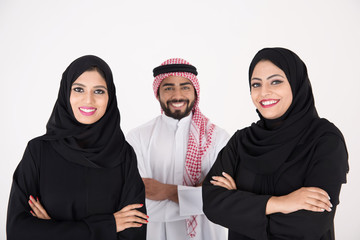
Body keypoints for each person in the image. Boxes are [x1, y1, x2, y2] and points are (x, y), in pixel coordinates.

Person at [202, 47, 349, 240]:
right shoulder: (242, 141)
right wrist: (281, 203)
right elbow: (212, 204)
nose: (264, 92)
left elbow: (310, 225)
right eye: (256, 84)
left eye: (276, 81)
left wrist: (238, 207)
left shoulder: (325, 139)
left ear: (296, 84)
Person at [7, 55, 148, 240]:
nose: (88, 100)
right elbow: (18, 231)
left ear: (110, 97)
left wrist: (51, 230)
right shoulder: (39, 151)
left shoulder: (123, 155)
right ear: (66, 93)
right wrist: (108, 226)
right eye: (79, 89)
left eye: (99, 91)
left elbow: (134, 234)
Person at [126, 58, 229, 240]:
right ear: (158, 93)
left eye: (185, 86)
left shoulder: (218, 139)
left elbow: (221, 200)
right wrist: (197, 196)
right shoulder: (137, 138)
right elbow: (138, 204)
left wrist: (165, 191)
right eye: (168, 88)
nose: (177, 95)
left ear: (196, 93)